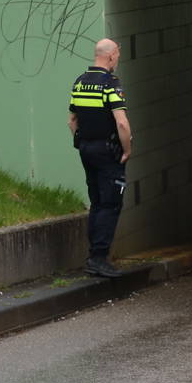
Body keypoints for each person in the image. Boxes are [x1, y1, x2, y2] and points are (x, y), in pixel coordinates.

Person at [69, 37, 132, 278]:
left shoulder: (80, 82)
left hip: (86, 149)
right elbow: (122, 123)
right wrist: (126, 150)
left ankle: (93, 256)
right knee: (110, 203)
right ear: (111, 56)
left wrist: (82, 142)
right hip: (108, 152)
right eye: (117, 55)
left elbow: (72, 120)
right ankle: (98, 258)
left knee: (96, 201)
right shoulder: (110, 84)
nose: (118, 59)